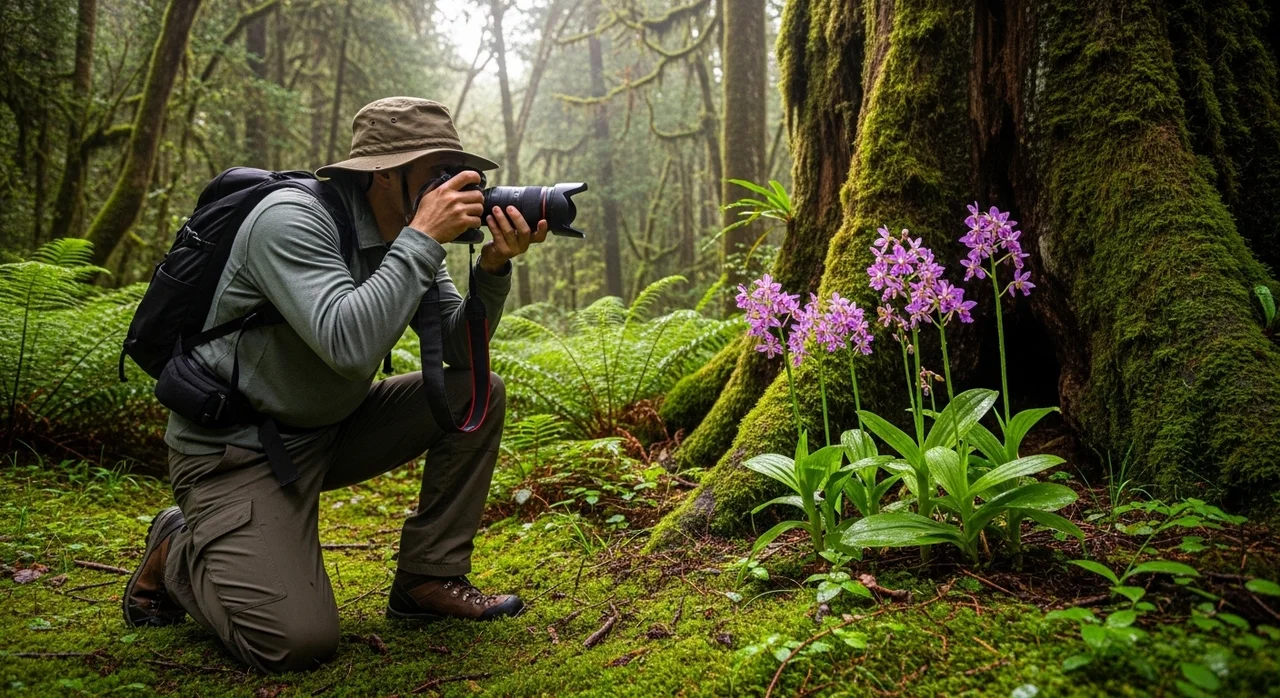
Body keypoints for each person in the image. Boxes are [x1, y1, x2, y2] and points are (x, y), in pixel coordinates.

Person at [121, 97, 546, 673]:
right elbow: (347, 346)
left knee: (478, 390)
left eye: (456, 172)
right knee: (296, 643)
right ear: (384, 173)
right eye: (437, 174)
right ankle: (179, 549)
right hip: (238, 452)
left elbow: (456, 347)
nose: (454, 186)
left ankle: (429, 578)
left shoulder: (406, 233)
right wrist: (421, 241)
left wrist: (492, 268)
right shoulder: (291, 220)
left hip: (331, 429)